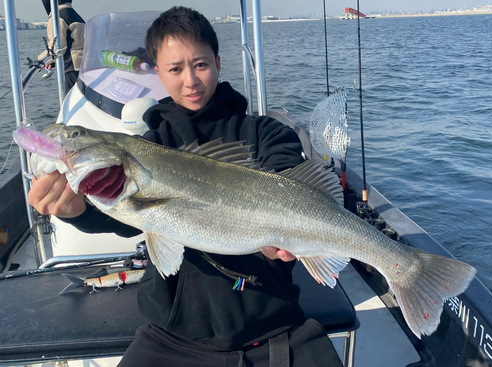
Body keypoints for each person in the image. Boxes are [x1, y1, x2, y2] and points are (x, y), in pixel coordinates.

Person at [28, 6, 341, 367]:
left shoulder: (264, 133)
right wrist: (78, 211)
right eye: (175, 69)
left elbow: (288, 175)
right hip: (172, 334)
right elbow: (125, 215)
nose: (190, 80)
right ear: (159, 74)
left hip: (273, 329)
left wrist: (285, 238)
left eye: (201, 65)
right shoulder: (154, 146)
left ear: (219, 64)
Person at [39, 0, 85, 94]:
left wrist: (40, 60)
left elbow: (58, 48)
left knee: (71, 102)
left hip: (70, 68)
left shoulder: (57, 18)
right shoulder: (76, 16)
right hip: (83, 67)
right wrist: (52, 63)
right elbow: (74, 43)